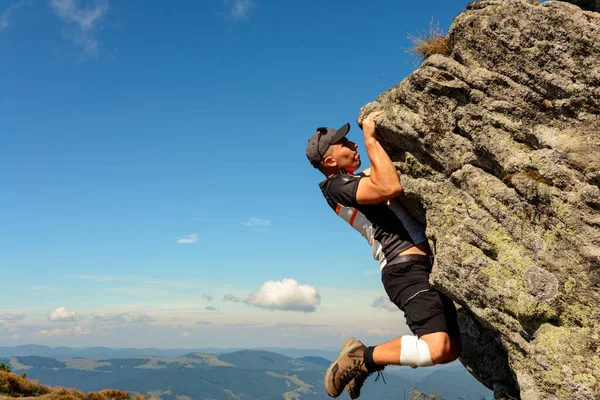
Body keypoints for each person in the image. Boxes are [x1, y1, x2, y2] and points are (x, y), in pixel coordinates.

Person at [305, 111, 461, 399]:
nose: (353, 145)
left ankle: (364, 362)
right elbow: (389, 186)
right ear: (329, 161)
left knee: (449, 350)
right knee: (436, 347)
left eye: (351, 140)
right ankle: (360, 357)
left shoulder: (350, 180)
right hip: (403, 270)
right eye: (345, 144)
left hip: (418, 266)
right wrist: (370, 139)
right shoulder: (337, 186)